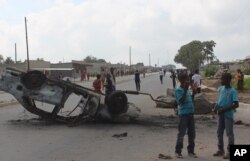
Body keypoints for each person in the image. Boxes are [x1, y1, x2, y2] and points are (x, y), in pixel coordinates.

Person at [213, 73, 239, 159]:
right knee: (219, 132)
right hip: (220, 114)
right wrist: (216, 107)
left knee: (229, 133)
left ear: (228, 80)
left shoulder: (233, 91)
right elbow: (219, 100)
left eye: (222, 79)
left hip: (228, 115)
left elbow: (236, 104)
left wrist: (224, 109)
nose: (221, 81)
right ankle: (221, 149)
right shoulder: (221, 89)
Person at [175, 73, 197, 158]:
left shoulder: (187, 90)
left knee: (192, 134)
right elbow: (180, 101)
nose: (188, 81)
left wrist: (194, 93)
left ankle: (191, 151)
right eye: (187, 80)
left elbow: (190, 100)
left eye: (188, 80)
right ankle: (178, 151)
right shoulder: (179, 90)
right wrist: (185, 90)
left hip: (191, 114)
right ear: (182, 81)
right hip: (183, 115)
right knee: (181, 134)